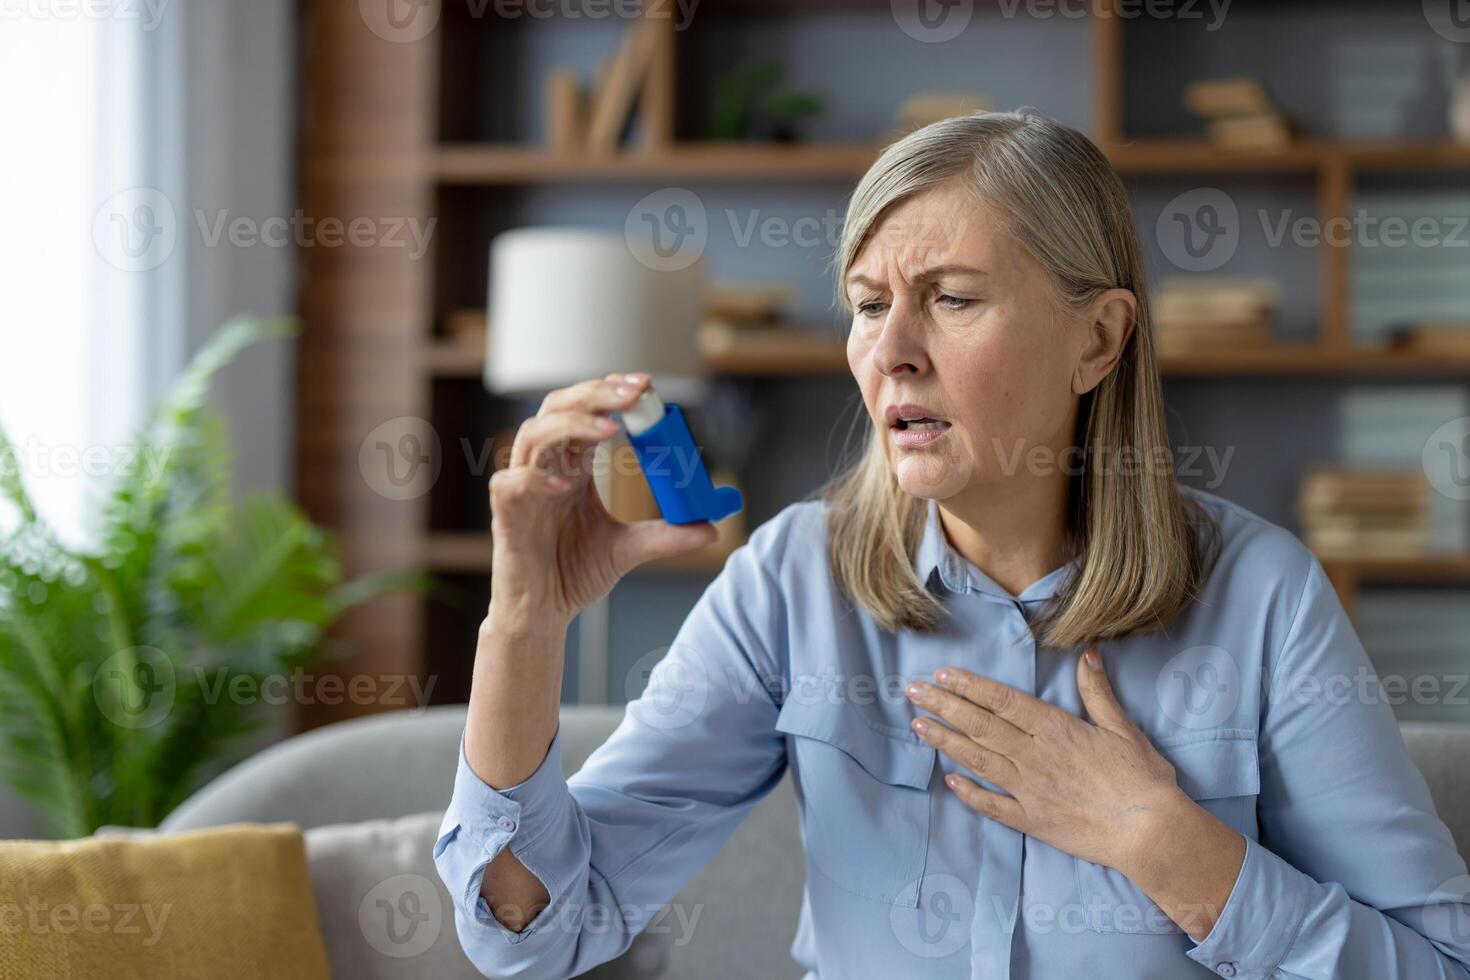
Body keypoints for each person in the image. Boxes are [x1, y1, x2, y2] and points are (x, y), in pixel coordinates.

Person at [433, 110, 1470, 979]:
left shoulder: (1263, 598)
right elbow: (536, 926)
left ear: (1098, 340)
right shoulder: (793, 583)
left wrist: (1163, 842)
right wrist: (524, 622)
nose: (891, 353)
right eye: (869, 305)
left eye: (954, 299)